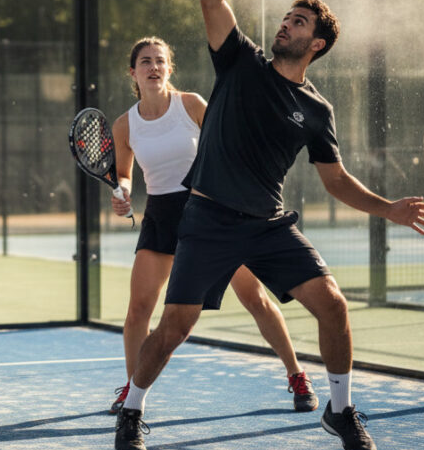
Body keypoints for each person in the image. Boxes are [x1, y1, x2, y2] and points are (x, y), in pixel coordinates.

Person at [113, 0, 424, 450]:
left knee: (333, 305)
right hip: (208, 219)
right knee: (173, 329)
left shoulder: (317, 110)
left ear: (316, 44)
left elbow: (335, 181)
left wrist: (389, 209)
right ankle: (133, 410)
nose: (286, 23)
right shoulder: (240, 61)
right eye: (287, 17)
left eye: (299, 22)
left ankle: (339, 410)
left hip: (267, 226)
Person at [108, 36, 317, 416]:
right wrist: (122, 192)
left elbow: (228, 144)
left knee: (254, 298)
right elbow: (124, 174)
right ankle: (132, 392)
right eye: (145, 62)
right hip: (160, 217)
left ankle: (297, 375)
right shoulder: (125, 125)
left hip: (210, 211)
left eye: (160, 61)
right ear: (133, 72)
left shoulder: (191, 105)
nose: (153, 67)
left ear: (170, 68)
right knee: (139, 309)